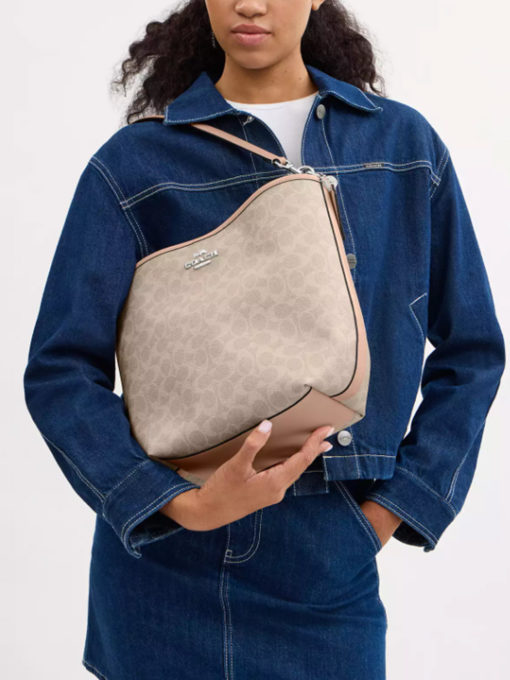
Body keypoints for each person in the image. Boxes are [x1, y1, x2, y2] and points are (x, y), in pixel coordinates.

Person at [23, 1, 505, 679]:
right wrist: (180, 505)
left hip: (326, 552)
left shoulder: (402, 146)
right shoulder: (133, 162)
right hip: (164, 561)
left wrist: (387, 513)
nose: (251, 3)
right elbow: (61, 370)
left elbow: (473, 349)